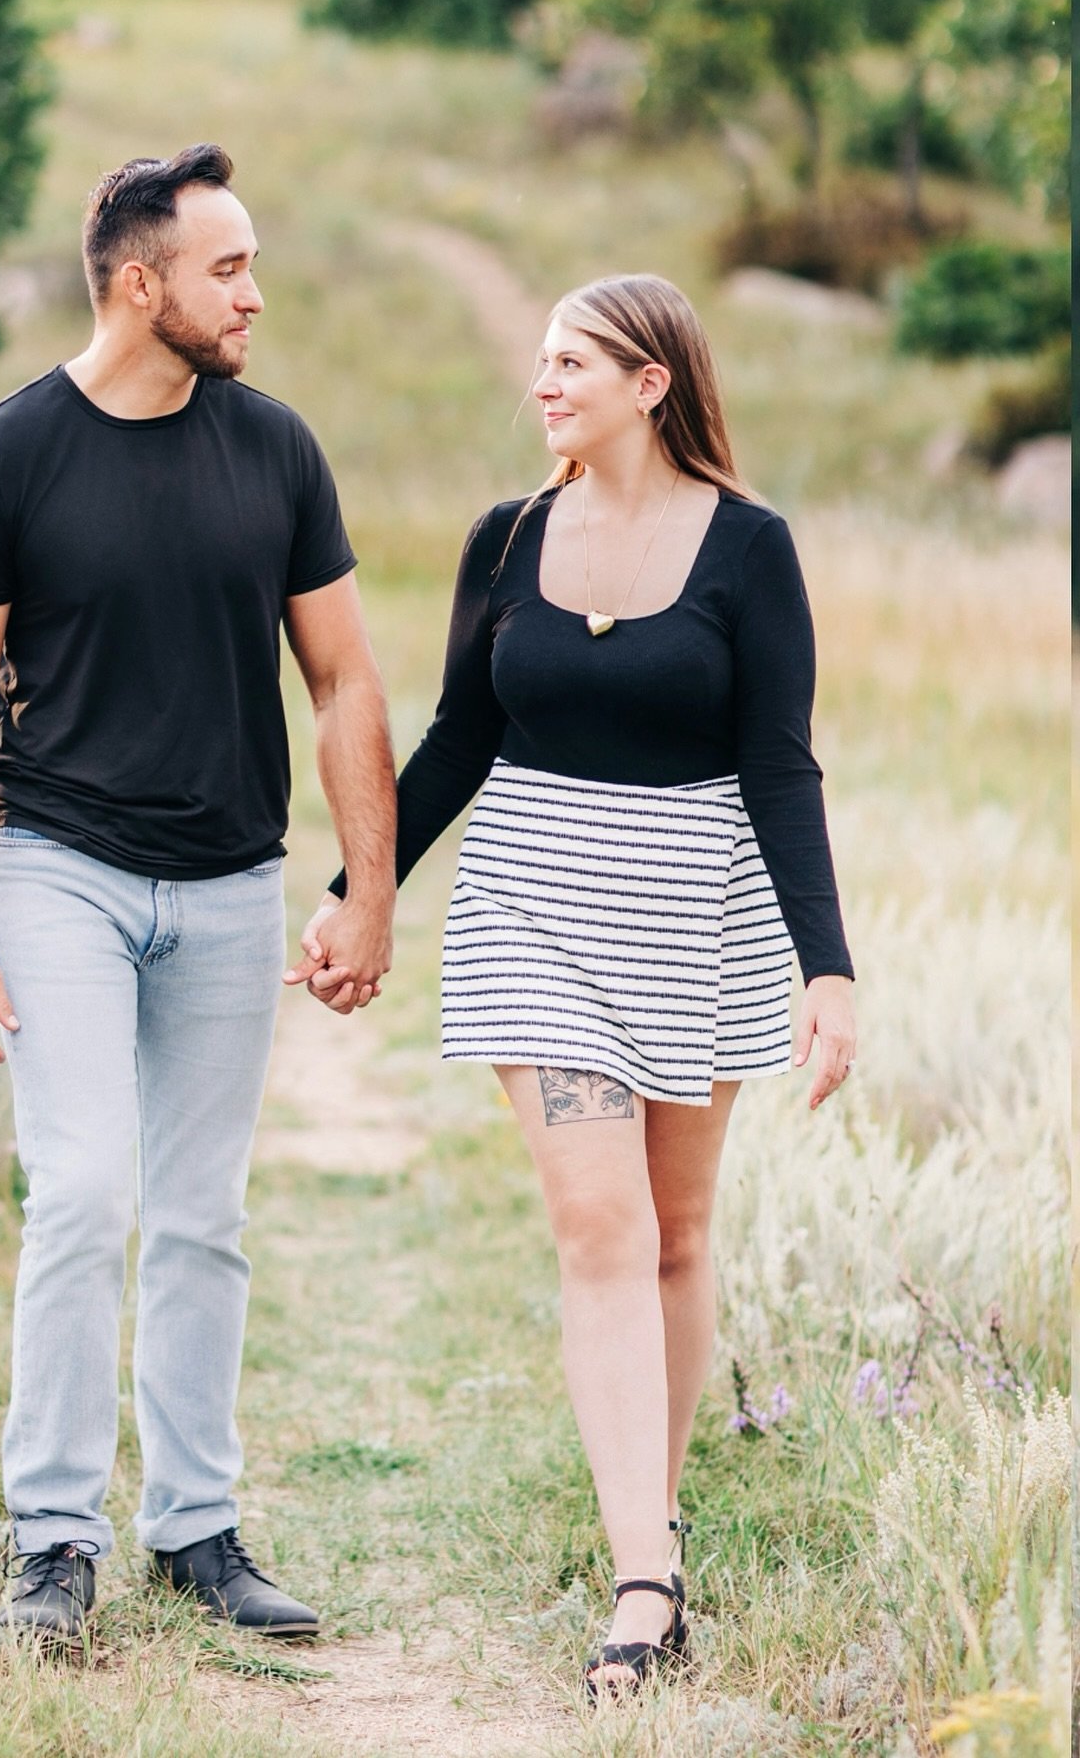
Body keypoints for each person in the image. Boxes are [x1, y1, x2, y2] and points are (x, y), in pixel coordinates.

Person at [290, 274, 856, 1698]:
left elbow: (782, 763)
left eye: (572, 361)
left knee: (674, 1232)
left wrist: (826, 968)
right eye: (540, 361)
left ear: (651, 382)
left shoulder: (751, 549)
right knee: (597, 1223)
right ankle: (644, 1582)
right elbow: (458, 740)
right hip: (534, 906)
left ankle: (647, 1520)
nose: (544, 383)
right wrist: (364, 894)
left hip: (698, 911)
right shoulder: (510, 538)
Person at [0, 144, 396, 1645]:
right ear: (142, 283)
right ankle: (52, 1537)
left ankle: (196, 1530)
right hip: (62, 873)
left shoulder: (278, 450)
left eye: (249, 263)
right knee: (85, 1195)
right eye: (227, 266)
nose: (254, 292)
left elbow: (345, 677)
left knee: (200, 1214)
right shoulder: (7, 457)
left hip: (235, 887)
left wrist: (366, 887)